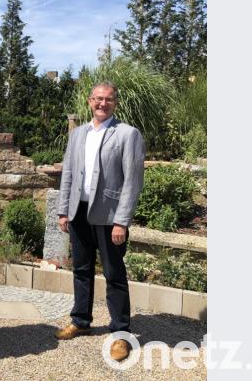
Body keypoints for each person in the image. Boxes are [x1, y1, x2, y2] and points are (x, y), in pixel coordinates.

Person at [55, 82, 145, 362]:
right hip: (78, 212)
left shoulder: (127, 134)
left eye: (108, 99)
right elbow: (68, 172)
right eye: (98, 99)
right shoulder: (78, 134)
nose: (102, 103)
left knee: (114, 274)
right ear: (89, 101)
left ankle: (121, 334)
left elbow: (133, 181)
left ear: (115, 102)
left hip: (109, 216)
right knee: (81, 269)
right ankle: (81, 320)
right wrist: (63, 210)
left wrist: (122, 221)